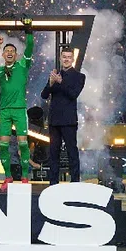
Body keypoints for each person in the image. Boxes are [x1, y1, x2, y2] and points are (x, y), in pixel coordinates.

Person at [0, 21, 35, 192]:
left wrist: (28, 30)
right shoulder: (0, 71)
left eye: (12, 51)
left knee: (22, 144)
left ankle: (24, 177)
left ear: (16, 55)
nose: (9, 53)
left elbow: (30, 47)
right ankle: (8, 177)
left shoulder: (23, 66)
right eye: (6, 51)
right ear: (3, 54)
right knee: (3, 146)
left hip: (20, 111)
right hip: (4, 112)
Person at [41, 47, 86, 184]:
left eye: (69, 57)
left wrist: (61, 82)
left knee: (72, 152)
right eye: (64, 57)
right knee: (53, 153)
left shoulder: (79, 76)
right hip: (54, 121)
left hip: (69, 121)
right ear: (60, 58)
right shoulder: (55, 75)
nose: (66, 59)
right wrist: (50, 83)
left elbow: (73, 94)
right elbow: (44, 95)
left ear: (72, 59)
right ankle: (53, 183)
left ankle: (75, 182)